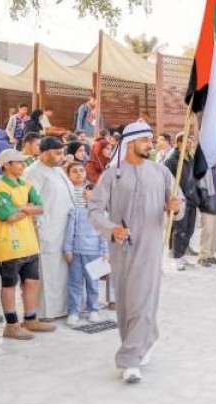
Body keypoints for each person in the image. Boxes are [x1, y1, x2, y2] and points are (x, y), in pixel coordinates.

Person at [88, 121, 183, 383]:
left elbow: (178, 202)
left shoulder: (161, 172)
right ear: (131, 143)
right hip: (121, 248)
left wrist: (176, 206)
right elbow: (94, 209)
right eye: (145, 141)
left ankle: (129, 360)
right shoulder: (112, 174)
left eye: (151, 140)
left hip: (151, 247)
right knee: (127, 304)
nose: (150, 145)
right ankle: (147, 337)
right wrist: (110, 229)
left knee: (141, 301)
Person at [0, 148, 54, 339]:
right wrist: (28, 209)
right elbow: (10, 217)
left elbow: (42, 207)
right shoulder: (0, 190)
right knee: (9, 284)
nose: (23, 165)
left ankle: (30, 319)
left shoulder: (25, 185)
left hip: (29, 242)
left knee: (32, 282)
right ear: (6, 165)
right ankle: (11, 324)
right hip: (9, 244)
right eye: (18, 162)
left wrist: (22, 207)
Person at [26, 136, 77, 319]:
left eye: (62, 153)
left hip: (64, 229)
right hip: (46, 229)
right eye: (57, 153)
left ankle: (63, 308)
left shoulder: (57, 170)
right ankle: (47, 313)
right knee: (47, 272)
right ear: (45, 153)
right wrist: (39, 227)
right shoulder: (33, 173)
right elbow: (30, 203)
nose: (61, 157)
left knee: (62, 271)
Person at [62, 162, 108, 327]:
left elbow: (103, 234)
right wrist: (68, 249)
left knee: (93, 283)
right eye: (87, 193)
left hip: (95, 253)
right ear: (83, 196)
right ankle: (73, 312)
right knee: (75, 283)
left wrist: (105, 251)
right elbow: (70, 232)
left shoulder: (102, 214)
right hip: (77, 253)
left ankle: (93, 310)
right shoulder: (75, 212)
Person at [164, 132, 201, 271]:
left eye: (192, 142)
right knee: (180, 229)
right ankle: (176, 257)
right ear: (179, 143)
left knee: (190, 229)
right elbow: (167, 182)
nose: (191, 144)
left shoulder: (190, 159)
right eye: (188, 142)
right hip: (180, 200)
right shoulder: (172, 160)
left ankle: (182, 253)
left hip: (192, 199)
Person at [195, 153, 216, 268]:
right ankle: (203, 256)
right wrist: (204, 201)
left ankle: (211, 254)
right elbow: (200, 185)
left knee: (215, 229)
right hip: (207, 202)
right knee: (207, 229)